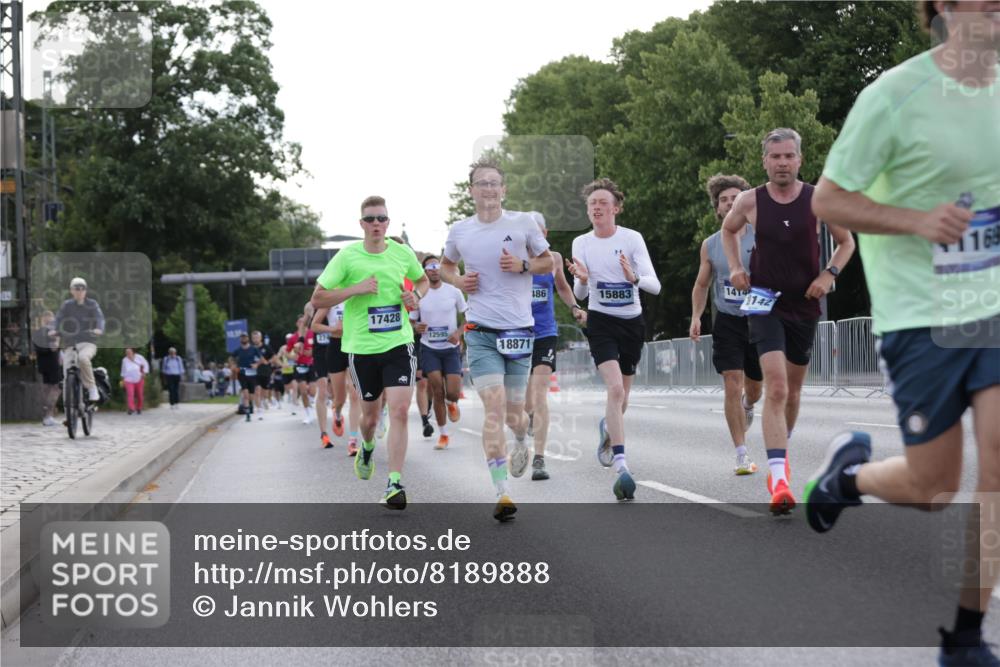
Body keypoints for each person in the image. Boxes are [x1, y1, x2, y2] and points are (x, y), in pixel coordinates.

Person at [805, 3, 999, 663]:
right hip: (919, 312)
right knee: (933, 487)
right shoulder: (894, 95)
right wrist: (918, 221)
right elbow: (828, 201)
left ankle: (967, 636)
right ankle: (846, 480)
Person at [722, 128, 855, 515]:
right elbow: (728, 232)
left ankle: (782, 449)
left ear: (799, 160)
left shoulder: (818, 199)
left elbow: (847, 242)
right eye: (775, 156)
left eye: (788, 156)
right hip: (764, 302)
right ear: (764, 160)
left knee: (793, 394)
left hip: (805, 305)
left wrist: (829, 274)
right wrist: (734, 267)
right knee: (776, 388)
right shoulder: (750, 201)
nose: (782, 163)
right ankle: (778, 479)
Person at [441, 158, 554, 521]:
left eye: (494, 183)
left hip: (519, 331)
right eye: (481, 183)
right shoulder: (460, 230)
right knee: (492, 408)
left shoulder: (521, 223)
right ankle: (501, 490)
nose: (488, 189)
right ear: (471, 191)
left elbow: (547, 262)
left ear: (503, 190)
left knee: (513, 414)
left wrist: (522, 266)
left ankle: (522, 437)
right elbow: (444, 267)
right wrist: (458, 281)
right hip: (481, 331)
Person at [311, 195, 428, 510]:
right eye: (370, 219)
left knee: (401, 410)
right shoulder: (347, 257)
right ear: (361, 224)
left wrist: (415, 296)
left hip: (398, 343)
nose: (376, 224)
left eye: (381, 218)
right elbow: (318, 299)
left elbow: (423, 279)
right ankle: (365, 447)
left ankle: (394, 483)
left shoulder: (402, 253)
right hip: (361, 349)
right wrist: (355, 289)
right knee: (370, 418)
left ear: (388, 223)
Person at [567, 178, 661, 501]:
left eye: (603, 203)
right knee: (615, 389)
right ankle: (621, 465)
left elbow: (654, 285)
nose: (597, 208)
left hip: (631, 323)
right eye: (592, 203)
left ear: (616, 208)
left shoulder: (632, 239)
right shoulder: (581, 243)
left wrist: (633, 278)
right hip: (601, 321)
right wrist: (580, 280)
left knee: (623, 400)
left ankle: (609, 430)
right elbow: (581, 291)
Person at [690, 174, 763, 475]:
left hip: (760, 318)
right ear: (718, 209)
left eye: (736, 198)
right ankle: (741, 454)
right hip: (728, 321)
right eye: (724, 200)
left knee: (755, 388)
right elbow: (702, 284)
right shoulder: (710, 245)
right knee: (731, 382)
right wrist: (696, 316)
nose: (730, 204)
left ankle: (749, 405)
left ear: (746, 204)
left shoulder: (762, 236)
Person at [524, 211, 585, 481]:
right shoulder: (513, 260)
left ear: (545, 234)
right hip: (515, 335)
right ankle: (528, 418)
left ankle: (539, 458)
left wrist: (574, 307)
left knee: (539, 396)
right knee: (523, 402)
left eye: (536, 233)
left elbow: (561, 286)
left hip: (545, 333)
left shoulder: (555, 259)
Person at [413, 254, 467, 450]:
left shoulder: (453, 292)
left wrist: (458, 333)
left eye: (437, 265)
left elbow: (469, 316)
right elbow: (411, 320)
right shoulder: (419, 294)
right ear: (424, 271)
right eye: (429, 266)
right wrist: (416, 326)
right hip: (429, 348)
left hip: (451, 348)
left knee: (452, 392)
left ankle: (452, 402)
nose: (434, 269)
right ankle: (443, 435)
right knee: (436, 389)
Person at [51, 277, 105, 403]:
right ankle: (69, 411)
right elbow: (58, 318)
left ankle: (92, 387)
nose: (80, 291)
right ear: (71, 291)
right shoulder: (67, 305)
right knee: (66, 375)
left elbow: (100, 318)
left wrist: (99, 328)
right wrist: (54, 329)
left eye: (82, 288)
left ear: (85, 291)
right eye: (77, 288)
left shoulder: (92, 304)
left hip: (88, 342)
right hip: (70, 344)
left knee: (82, 358)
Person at [32, 310, 62, 426]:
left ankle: (46, 416)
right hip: (52, 363)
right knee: (56, 388)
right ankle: (48, 415)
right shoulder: (52, 332)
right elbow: (54, 347)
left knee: (46, 388)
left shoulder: (37, 332)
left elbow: (36, 349)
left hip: (42, 364)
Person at [234, 333, 264, 422]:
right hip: (242, 373)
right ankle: (247, 415)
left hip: (252, 374)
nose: (243, 339)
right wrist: (233, 366)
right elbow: (231, 358)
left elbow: (262, 359)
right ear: (240, 339)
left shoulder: (254, 349)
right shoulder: (238, 350)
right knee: (245, 394)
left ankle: (258, 408)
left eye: (245, 337)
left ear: (248, 338)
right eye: (242, 337)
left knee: (252, 395)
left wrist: (256, 364)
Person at [120, 347, 150, 415]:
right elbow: (123, 370)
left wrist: (144, 373)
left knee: (139, 394)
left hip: (139, 378)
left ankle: (139, 408)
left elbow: (146, 365)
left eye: (129, 352)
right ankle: (131, 408)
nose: (127, 353)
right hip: (128, 379)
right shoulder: (124, 360)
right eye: (126, 352)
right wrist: (122, 379)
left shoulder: (139, 357)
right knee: (130, 394)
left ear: (133, 352)